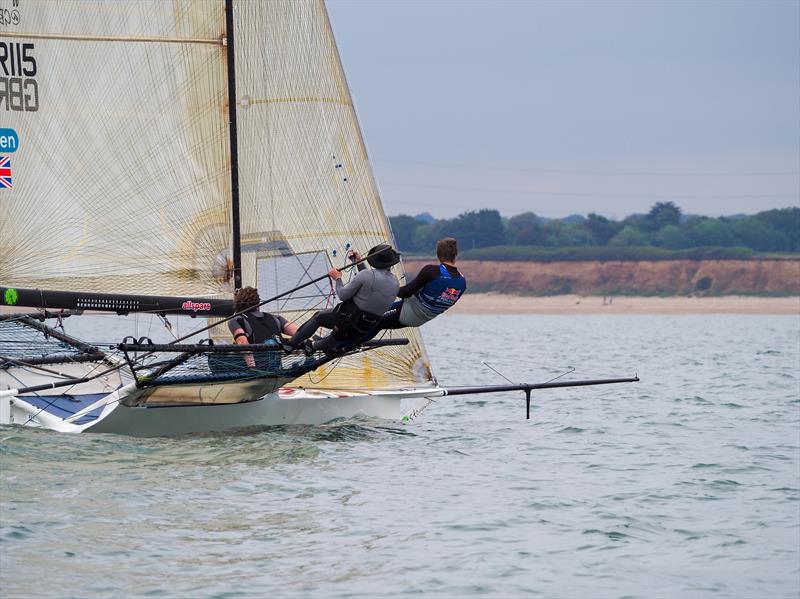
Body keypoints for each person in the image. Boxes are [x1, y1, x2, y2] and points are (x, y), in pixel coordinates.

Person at [287, 244, 400, 356]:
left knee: (319, 317)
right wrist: (359, 262)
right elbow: (372, 282)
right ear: (391, 263)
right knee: (340, 334)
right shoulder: (396, 283)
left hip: (346, 320)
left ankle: (290, 344)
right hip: (362, 330)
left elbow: (342, 295)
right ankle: (313, 346)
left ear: (374, 260)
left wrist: (338, 278)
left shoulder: (367, 275)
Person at [380, 237, 466, 329]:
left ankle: (362, 340)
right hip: (420, 318)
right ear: (455, 255)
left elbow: (406, 293)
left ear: (438, 255)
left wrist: (387, 287)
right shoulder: (462, 282)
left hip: (411, 314)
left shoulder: (431, 271)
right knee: (377, 311)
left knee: (375, 322)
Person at [228, 287, 297, 368]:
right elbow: (298, 332)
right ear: (258, 302)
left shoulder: (235, 320)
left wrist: (253, 369)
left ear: (237, 304)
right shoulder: (276, 318)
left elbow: (243, 343)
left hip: (253, 371)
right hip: (276, 370)